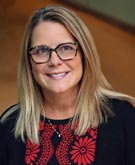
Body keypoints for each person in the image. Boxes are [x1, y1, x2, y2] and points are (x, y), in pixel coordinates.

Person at [0, 5, 135, 165]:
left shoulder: (121, 117)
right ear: (29, 62)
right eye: (42, 50)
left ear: (85, 54)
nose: (54, 61)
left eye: (66, 48)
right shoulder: (10, 125)